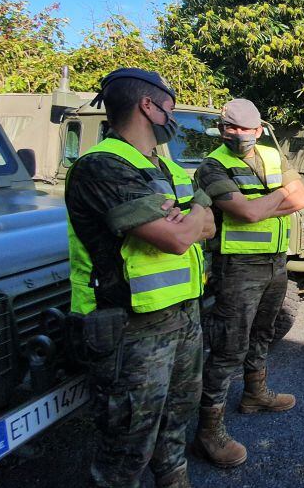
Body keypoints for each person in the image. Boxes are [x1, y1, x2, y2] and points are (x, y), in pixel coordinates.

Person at [66, 68, 214, 488]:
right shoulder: (101, 168)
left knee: (175, 419)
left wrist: (190, 218)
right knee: (128, 445)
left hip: (182, 316)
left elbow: (208, 228)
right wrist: (190, 219)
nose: (173, 116)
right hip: (128, 327)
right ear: (148, 106)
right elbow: (179, 237)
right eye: (170, 106)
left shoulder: (167, 168)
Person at [192, 99, 304, 467]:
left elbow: (302, 198)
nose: (239, 134)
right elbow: (247, 212)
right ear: (222, 129)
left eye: (246, 129)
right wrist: (278, 196)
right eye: (231, 127)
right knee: (229, 347)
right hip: (237, 267)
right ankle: (209, 429)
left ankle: (255, 394)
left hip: (275, 262)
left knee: (263, 332)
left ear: (259, 130)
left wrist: (263, 204)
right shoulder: (212, 166)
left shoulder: (273, 156)